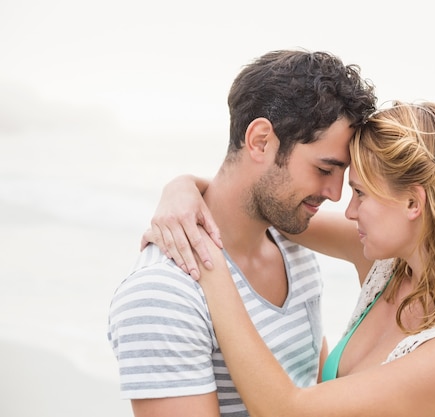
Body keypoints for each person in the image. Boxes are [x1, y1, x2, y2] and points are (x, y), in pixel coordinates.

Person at [143, 101, 435, 417]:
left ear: (412, 202)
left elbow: (285, 411)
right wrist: (181, 189)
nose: (347, 210)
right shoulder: (388, 265)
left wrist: (207, 262)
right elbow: (266, 208)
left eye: (361, 193)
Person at [107, 49, 377, 417]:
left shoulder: (294, 245)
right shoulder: (162, 292)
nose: (334, 194)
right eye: (324, 168)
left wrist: (183, 184)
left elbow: (313, 391)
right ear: (261, 141)